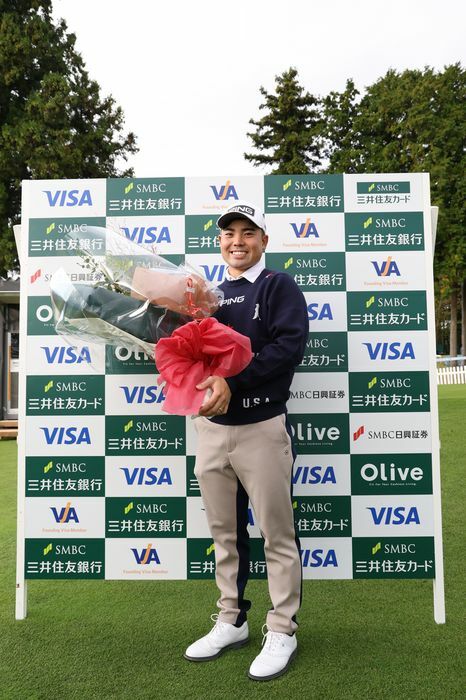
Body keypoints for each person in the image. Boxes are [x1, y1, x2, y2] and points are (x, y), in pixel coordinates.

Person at [184, 201, 308, 681]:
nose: (237, 240)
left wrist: (234, 383)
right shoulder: (204, 296)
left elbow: (287, 348)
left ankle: (282, 627)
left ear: (264, 240)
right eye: (229, 233)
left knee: (277, 534)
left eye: (247, 232)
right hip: (211, 430)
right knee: (225, 535)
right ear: (219, 241)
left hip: (261, 427)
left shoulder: (278, 286)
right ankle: (232, 618)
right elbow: (187, 349)